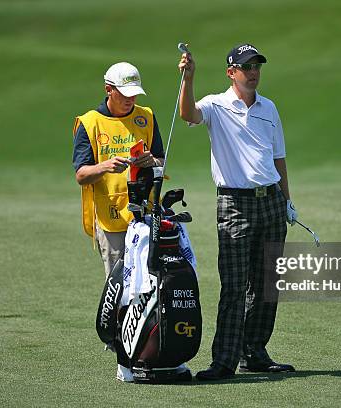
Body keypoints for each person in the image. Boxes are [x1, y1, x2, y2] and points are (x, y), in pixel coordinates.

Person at [178, 43, 299, 380]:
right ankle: (224, 361)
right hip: (235, 203)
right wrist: (188, 78)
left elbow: (278, 158)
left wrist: (287, 200)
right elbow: (188, 115)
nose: (254, 72)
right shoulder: (216, 105)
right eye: (247, 67)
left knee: (267, 283)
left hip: (272, 202)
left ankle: (255, 353)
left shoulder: (269, 108)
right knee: (234, 286)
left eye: (257, 66)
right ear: (231, 72)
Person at [73, 62, 165, 279]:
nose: (130, 100)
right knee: (119, 284)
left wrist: (150, 160)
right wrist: (105, 166)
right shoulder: (89, 123)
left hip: (147, 211)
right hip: (110, 217)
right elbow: (81, 175)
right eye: (125, 94)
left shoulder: (146, 117)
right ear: (108, 89)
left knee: (150, 280)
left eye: (134, 94)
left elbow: (161, 160)